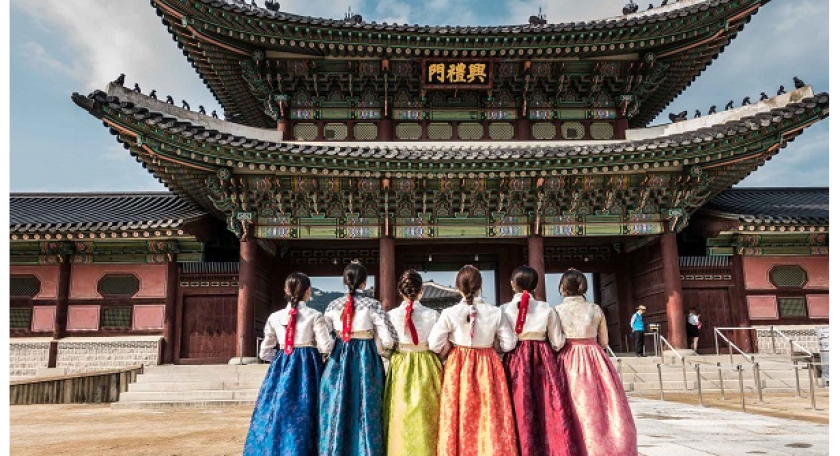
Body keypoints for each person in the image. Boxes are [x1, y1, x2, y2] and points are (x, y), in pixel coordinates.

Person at [428, 265, 518, 456]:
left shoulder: (449, 313)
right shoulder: (495, 312)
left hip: (458, 365)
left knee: (457, 413)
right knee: (490, 413)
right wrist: (493, 348)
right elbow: (509, 343)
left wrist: (450, 348)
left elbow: (434, 344)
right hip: (488, 363)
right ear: (480, 286)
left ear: (458, 287)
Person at [244, 272, 333, 456]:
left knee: (279, 409)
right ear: (308, 292)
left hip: (283, 363)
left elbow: (264, 352)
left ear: (286, 290)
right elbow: (326, 346)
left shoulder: (274, 317)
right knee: (309, 408)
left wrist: (281, 361)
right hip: (308, 367)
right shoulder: (315, 315)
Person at [319, 262, 399, 456]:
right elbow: (388, 338)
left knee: (337, 403)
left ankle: (335, 448)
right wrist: (387, 349)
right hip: (366, 357)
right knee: (366, 403)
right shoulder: (373, 305)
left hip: (339, 355)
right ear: (365, 282)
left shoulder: (332, 305)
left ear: (344, 281)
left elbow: (323, 336)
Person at [555, 269, 637, 456]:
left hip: (567, 358)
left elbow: (556, 340)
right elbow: (605, 342)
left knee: (570, 403)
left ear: (562, 288)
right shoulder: (595, 309)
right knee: (601, 405)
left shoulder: (557, 311)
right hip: (594, 357)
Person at [500, 266, 578, 456]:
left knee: (518, 404)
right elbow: (558, 341)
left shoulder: (503, 309)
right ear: (535, 285)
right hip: (543, 359)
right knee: (546, 405)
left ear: (512, 285)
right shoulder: (546, 308)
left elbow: (503, 344)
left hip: (515, 358)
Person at [383, 270, 443, 456]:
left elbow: (386, 345)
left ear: (400, 291)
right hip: (427, 364)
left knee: (399, 416)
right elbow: (436, 345)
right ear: (421, 290)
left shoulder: (391, 315)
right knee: (428, 415)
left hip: (401, 365)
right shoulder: (433, 315)